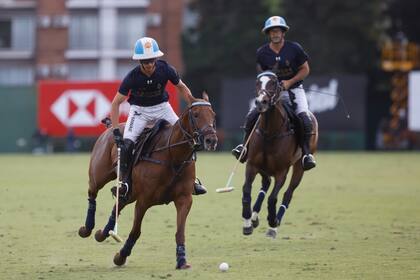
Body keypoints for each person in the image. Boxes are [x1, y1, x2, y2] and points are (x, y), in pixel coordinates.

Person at [111, 37, 207, 197]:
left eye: (152, 60)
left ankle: (193, 180)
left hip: (162, 108)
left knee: (187, 137)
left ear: (156, 59)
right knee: (127, 145)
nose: (149, 65)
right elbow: (115, 103)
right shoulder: (132, 77)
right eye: (145, 61)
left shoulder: (166, 69)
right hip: (139, 111)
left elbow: (181, 87)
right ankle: (125, 183)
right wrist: (115, 131)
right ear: (139, 61)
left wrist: (192, 102)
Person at [232, 16, 316, 171]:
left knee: (304, 118)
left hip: (294, 89)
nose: (275, 34)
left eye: (278, 31)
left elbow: (305, 69)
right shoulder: (262, 53)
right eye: (272, 31)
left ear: (283, 32)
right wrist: (268, 89)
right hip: (271, 93)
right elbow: (261, 75)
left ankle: (306, 154)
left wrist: (289, 82)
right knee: (252, 115)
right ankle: (243, 148)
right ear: (268, 34)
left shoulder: (294, 48)